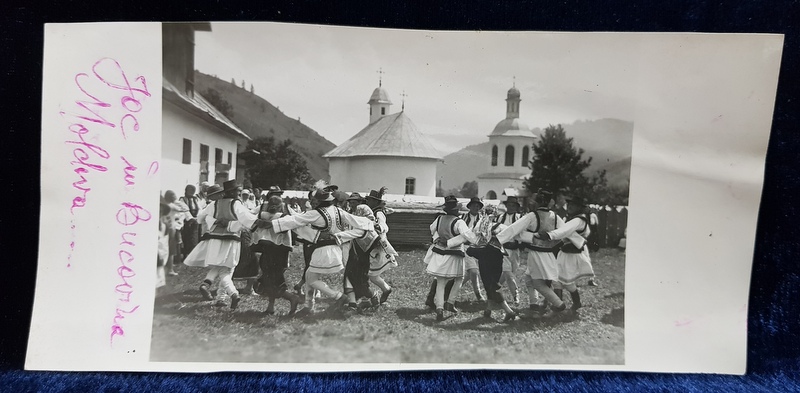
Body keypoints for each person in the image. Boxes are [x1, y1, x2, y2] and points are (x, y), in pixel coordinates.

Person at [259, 181, 374, 315]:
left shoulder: (317, 214)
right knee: (309, 275)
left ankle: (338, 296)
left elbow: (296, 220)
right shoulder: (338, 211)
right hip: (335, 250)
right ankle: (309, 305)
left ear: (320, 202)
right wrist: (370, 223)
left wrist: (272, 224)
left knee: (311, 279)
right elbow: (355, 220)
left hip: (323, 251)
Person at [183, 180, 261, 310]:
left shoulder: (214, 204)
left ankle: (216, 293)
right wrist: (260, 222)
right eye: (237, 191)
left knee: (219, 267)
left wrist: (214, 221)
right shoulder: (236, 204)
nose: (239, 193)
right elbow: (246, 219)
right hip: (231, 240)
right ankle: (233, 294)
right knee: (227, 269)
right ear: (231, 192)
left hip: (214, 239)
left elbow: (199, 218)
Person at [497, 189, 568, 316]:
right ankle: (534, 305)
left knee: (538, 283)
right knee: (529, 279)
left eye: (534, 201)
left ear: (537, 202)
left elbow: (513, 229)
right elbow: (565, 233)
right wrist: (549, 238)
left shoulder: (532, 216)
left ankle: (559, 305)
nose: (531, 203)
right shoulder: (555, 217)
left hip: (537, 254)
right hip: (549, 253)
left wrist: (496, 239)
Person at [535, 196, 595, 311]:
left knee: (566, 282)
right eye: (570, 204)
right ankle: (558, 306)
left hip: (572, 255)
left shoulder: (578, 220)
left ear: (580, 208)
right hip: (565, 253)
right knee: (557, 280)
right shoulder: (573, 219)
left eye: (575, 205)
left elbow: (564, 231)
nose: (570, 207)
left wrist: (549, 235)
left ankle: (575, 303)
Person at [460, 204, 519, 322]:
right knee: (491, 283)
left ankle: (509, 312)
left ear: (484, 213)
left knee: (492, 284)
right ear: (496, 214)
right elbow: (510, 239)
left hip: (484, 256)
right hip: (497, 257)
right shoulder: (502, 227)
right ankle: (488, 309)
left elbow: (473, 238)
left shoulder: (479, 225)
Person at [425, 195, 479, 322]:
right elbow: (469, 236)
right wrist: (478, 237)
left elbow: (432, 229)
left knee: (440, 282)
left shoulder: (439, 219)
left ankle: (439, 308)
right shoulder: (459, 221)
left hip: (439, 253)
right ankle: (450, 302)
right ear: (455, 210)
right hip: (454, 254)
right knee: (459, 278)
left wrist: (438, 239)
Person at [251, 195, 304, 315]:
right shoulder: (279, 212)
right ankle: (271, 306)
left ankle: (291, 298)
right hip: (274, 249)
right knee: (270, 277)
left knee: (272, 278)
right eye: (271, 204)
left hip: (275, 249)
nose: (273, 206)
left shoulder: (280, 213)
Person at [342, 192, 381, 313]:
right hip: (355, 245)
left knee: (360, 276)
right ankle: (353, 302)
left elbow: (371, 223)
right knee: (349, 273)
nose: (352, 203)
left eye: (354, 201)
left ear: (360, 201)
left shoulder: (363, 208)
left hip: (364, 245)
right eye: (350, 201)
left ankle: (372, 295)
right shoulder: (351, 212)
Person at [364, 187, 399, 304]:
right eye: (368, 200)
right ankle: (385, 289)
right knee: (371, 273)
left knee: (370, 273)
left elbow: (384, 226)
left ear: (376, 202)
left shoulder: (378, 212)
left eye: (370, 200)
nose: (368, 202)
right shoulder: (373, 212)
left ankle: (375, 292)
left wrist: (379, 227)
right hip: (373, 244)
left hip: (378, 245)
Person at [497, 196, 523, 304]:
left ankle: (494, 289)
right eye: (509, 205)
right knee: (508, 273)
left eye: (513, 205)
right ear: (506, 206)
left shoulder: (520, 218)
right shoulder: (500, 218)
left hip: (515, 249)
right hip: (504, 249)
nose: (511, 207)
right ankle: (516, 295)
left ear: (517, 207)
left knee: (511, 271)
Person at [460, 197, 486, 302]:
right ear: (469, 206)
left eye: (478, 205)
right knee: (474, 271)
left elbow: (486, 233)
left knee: (470, 272)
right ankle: (479, 295)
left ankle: (451, 289)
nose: (476, 207)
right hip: (466, 247)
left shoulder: (483, 219)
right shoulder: (462, 218)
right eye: (474, 205)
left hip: (479, 248)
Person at [163, 190, 190, 276]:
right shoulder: (172, 206)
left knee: (163, 248)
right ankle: (170, 269)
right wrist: (176, 201)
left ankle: (163, 268)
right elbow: (185, 209)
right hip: (171, 228)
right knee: (171, 250)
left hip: (162, 228)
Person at [179, 184, 205, 258]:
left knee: (195, 238)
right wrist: (190, 218)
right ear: (186, 191)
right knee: (186, 238)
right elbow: (184, 210)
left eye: (193, 191)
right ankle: (185, 255)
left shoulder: (195, 199)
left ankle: (193, 254)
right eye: (190, 190)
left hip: (196, 221)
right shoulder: (182, 199)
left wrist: (198, 217)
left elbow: (199, 209)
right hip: (187, 222)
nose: (191, 192)